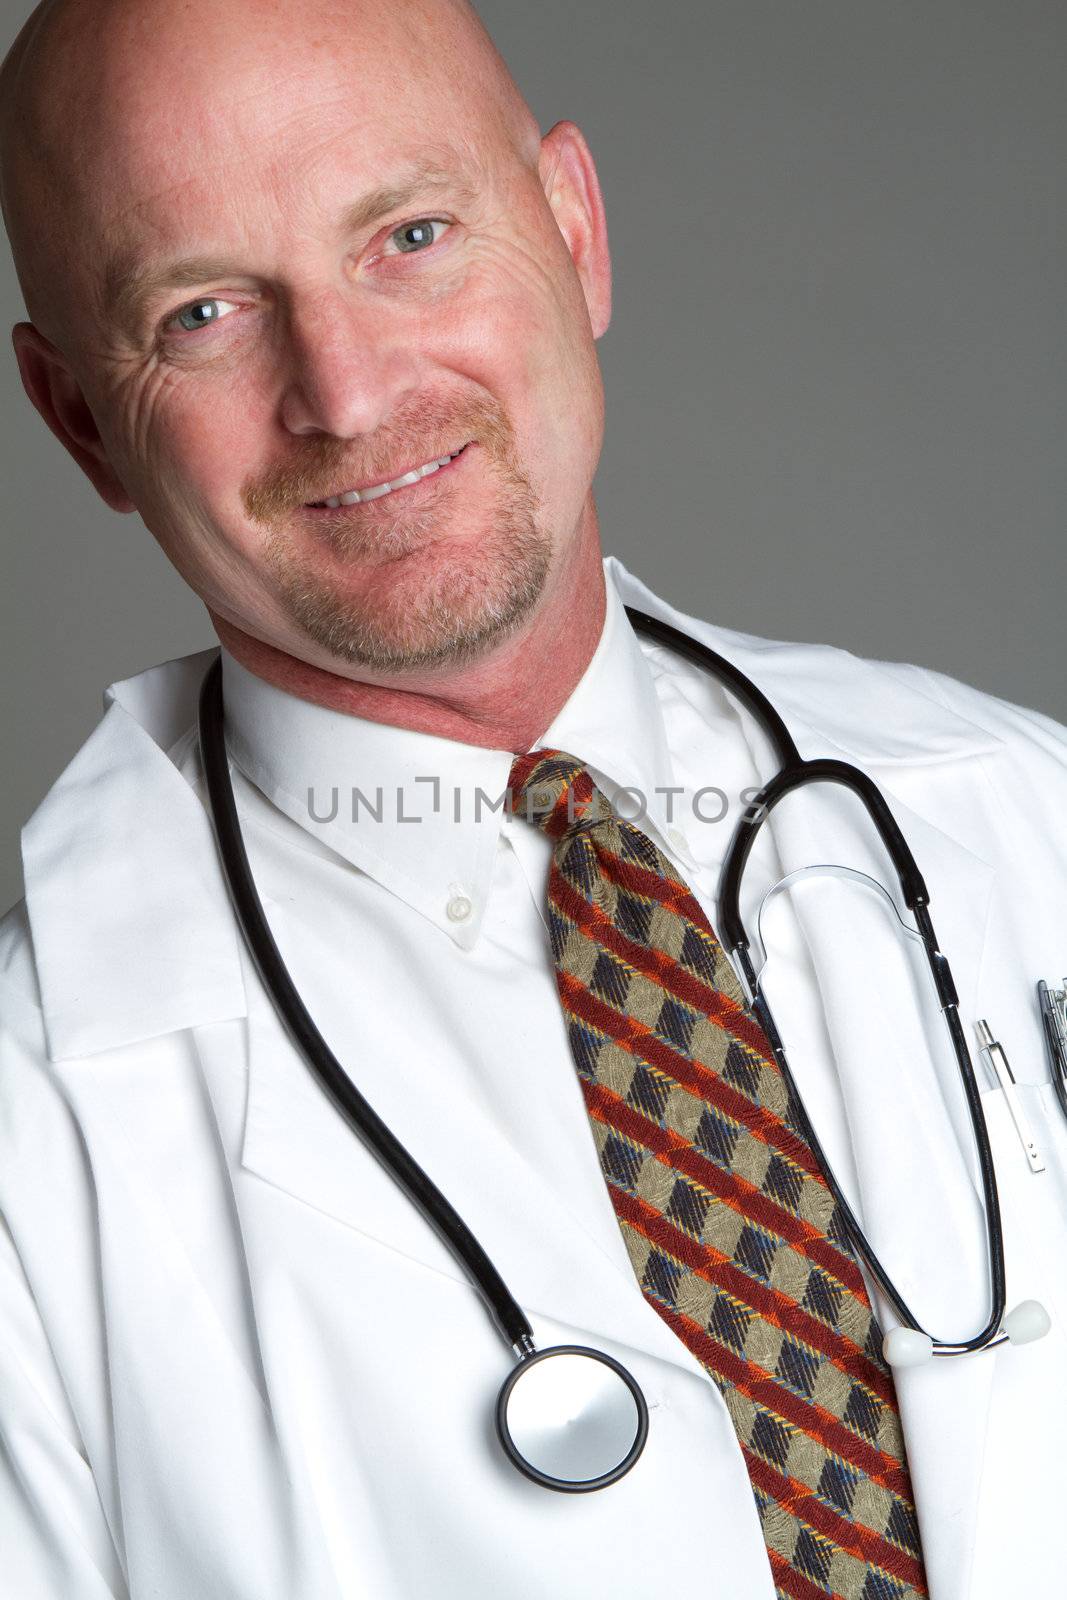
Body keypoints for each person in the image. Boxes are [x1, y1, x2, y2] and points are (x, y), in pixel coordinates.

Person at [0, 0, 1064, 1595]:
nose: (347, 393)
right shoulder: (36, 1141)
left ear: (575, 231)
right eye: (206, 312)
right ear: (82, 417)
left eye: (413, 234)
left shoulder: (1031, 816)